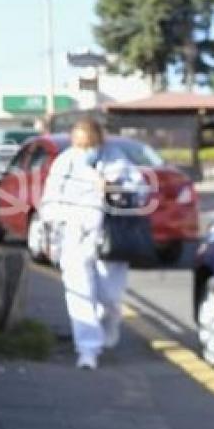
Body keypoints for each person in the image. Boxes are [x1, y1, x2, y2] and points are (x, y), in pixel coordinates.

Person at [40, 118, 141, 370]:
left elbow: (140, 192)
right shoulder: (64, 162)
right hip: (74, 235)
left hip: (109, 236)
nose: (86, 150)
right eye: (81, 144)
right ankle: (87, 350)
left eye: (91, 144)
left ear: (100, 140)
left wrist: (111, 188)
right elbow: (49, 203)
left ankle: (109, 325)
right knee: (80, 293)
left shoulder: (117, 160)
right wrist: (67, 215)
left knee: (110, 295)